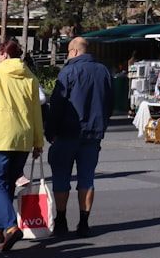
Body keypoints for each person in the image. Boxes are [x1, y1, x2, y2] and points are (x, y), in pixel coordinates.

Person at [0, 39, 44, 251]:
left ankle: (11, 225)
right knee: (8, 184)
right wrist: (38, 141)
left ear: (4, 54)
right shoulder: (29, 77)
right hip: (22, 138)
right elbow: (36, 112)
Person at [46, 37, 113, 238]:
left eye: (68, 51)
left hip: (67, 132)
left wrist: (51, 132)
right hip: (93, 133)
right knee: (87, 178)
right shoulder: (103, 71)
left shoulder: (68, 71)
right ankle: (84, 222)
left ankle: (61, 220)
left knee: (61, 177)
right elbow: (109, 102)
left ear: (74, 51)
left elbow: (57, 104)